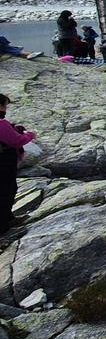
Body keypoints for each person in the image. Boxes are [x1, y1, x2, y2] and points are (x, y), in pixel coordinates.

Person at [0, 93, 37, 235]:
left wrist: (15, 129)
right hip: (4, 163)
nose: (5, 109)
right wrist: (30, 135)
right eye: (4, 105)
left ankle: (8, 218)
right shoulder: (1, 123)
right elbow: (16, 141)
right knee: (7, 191)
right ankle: (3, 226)